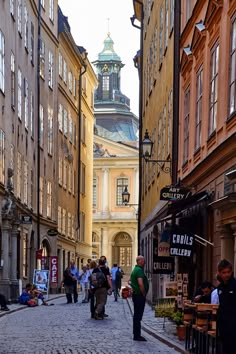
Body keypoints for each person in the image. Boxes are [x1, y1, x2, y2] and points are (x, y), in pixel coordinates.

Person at [217, 259, 236, 354]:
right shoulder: (219, 288)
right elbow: (221, 307)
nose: (227, 275)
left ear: (231, 271)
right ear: (220, 273)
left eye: (228, 272)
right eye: (224, 272)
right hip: (224, 328)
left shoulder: (235, 285)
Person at [130, 255, 149, 341]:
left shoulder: (134, 270)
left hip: (136, 295)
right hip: (139, 296)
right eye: (143, 261)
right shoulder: (139, 271)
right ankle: (137, 335)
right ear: (139, 261)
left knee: (136, 315)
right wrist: (144, 294)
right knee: (138, 315)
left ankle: (136, 334)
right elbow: (140, 283)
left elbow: (130, 281)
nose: (144, 262)